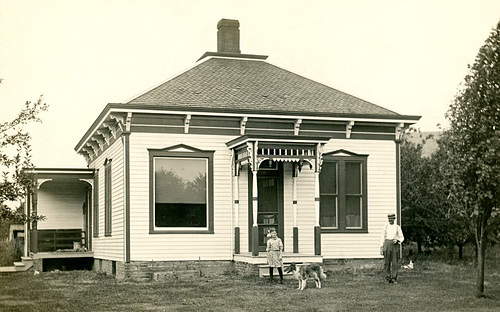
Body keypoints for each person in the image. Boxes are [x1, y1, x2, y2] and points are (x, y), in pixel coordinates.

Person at [380, 213, 404, 283]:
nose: (390, 220)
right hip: (387, 244)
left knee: (395, 263)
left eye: (391, 219)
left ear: (394, 219)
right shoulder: (385, 226)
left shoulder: (397, 227)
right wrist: (381, 247)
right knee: (386, 263)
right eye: (389, 219)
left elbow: (401, 237)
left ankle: (394, 278)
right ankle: (387, 278)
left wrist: (397, 240)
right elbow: (382, 237)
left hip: (394, 245)